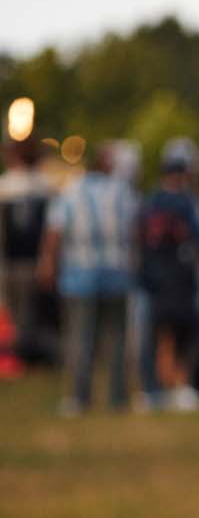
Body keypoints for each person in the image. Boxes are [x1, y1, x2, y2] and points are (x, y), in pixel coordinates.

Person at [37, 143, 140, 416]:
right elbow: (135, 232)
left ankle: (80, 398)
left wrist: (48, 264)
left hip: (80, 273)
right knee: (116, 338)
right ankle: (117, 398)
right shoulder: (122, 192)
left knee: (80, 337)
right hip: (116, 271)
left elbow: (55, 231)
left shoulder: (72, 190)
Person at [136, 148, 199, 411]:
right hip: (181, 279)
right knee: (184, 336)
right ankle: (181, 386)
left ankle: (152, 389)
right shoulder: (189, 203)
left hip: (154, 280)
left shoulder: (150, 202)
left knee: (154, 337)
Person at [0, 138, 54, 369]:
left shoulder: (6, 186)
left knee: (16, 311)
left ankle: (20, 354)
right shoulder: (45, 185)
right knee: (31, 312)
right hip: (35, 260)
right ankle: (26, 353)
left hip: (13, 260)